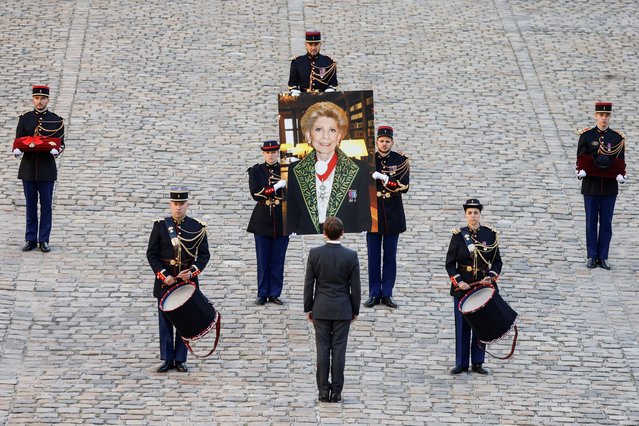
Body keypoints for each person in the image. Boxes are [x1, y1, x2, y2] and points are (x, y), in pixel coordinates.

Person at [146, 188, 210, 373]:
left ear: (187, 205)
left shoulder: (197, 227)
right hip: (166, 281)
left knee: (184, 322)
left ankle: (180, 359)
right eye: (175, 204)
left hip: (185, 282)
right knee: (165, 323)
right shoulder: (160, 226)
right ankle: (167, 358)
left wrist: (192, 272)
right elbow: (152, 254)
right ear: (170, 205)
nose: (178, 208)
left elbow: (204, 255)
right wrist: (163, 275)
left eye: (182, 204)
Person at [286, 101, 371, 234]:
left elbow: (363, 220)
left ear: (338, 136)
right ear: (309, 135)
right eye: (318, 129)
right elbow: (292, 218)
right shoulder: (294, 169)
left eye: (332, 130)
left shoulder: (359, 169)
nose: (325, 136)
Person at [304, 216, 361, 403]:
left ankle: (322, 391)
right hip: (342, 309)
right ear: (342, 233)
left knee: (322, 350)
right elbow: (356, 287)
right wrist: (355, 310)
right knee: (339, 351)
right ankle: (336, 391)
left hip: (321, 308)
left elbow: (309, 284)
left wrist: (308, 308)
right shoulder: (351, 256)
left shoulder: (315, 254)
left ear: (324, 233)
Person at [445, 199, 502, 375]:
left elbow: (497, 262)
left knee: (480, 325)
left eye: (475, 213)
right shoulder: (458, 236)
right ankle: (461, 363)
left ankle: (478, 362)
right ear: (465, 215)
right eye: (469, 213)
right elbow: (450, 264)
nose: (473, 216)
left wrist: (490, 278)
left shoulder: (490, 235)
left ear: (480, 214)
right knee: (462, 326)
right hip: (463, 287)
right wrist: (458, 280)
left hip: (481, 288)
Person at [13, 85, 65, 253]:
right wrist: (17, 149)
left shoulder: (56, 120)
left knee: (46, 205)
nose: (39, 101)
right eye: (36, 98)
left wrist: (56, 150)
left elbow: (60, 143)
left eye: (42, 98)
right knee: (30, 205)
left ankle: (44, 239)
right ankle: (30, 239)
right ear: (33, 99)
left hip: (46, 169)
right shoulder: (25, 119)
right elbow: (19, 140)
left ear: (48, 100)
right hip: (28, 168)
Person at [575, 102, 626, 270]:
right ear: (595, 116)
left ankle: (603, 256)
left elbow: (620, 161)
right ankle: (591, 255)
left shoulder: (616, 138)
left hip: (609, 187)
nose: (604, 118)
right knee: (591, 222)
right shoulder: (587, 136)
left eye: (606, 116)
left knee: (606, 223)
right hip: (591, 186)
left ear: (609, 117)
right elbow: (581, 157)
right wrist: (583, 169)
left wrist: (620, 173)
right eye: (601, 115)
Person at [365, 126, 410, 309]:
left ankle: (388, 293)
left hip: (393, 214)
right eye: (381, 140)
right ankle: (374, 293)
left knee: (390, 257)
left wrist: (383, 178)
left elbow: (404, 186)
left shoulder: (401, 160)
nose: (384, 144)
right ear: (377, 142)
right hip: (373, 215)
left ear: (392, 142)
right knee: (373, 257)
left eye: (387, 141)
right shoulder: (369, 160)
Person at [247, 140, 289, 306]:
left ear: (277, 152)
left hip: (282, 219)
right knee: (263, 259)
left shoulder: (285, 170)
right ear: (263, 153)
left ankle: (275, 293)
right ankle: (262, 292)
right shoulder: (256, 171)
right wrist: (275, 187)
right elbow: (256, 193)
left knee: (278, 259)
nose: (271, 155)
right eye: (267, 152)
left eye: (273, 152)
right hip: (263, 218)